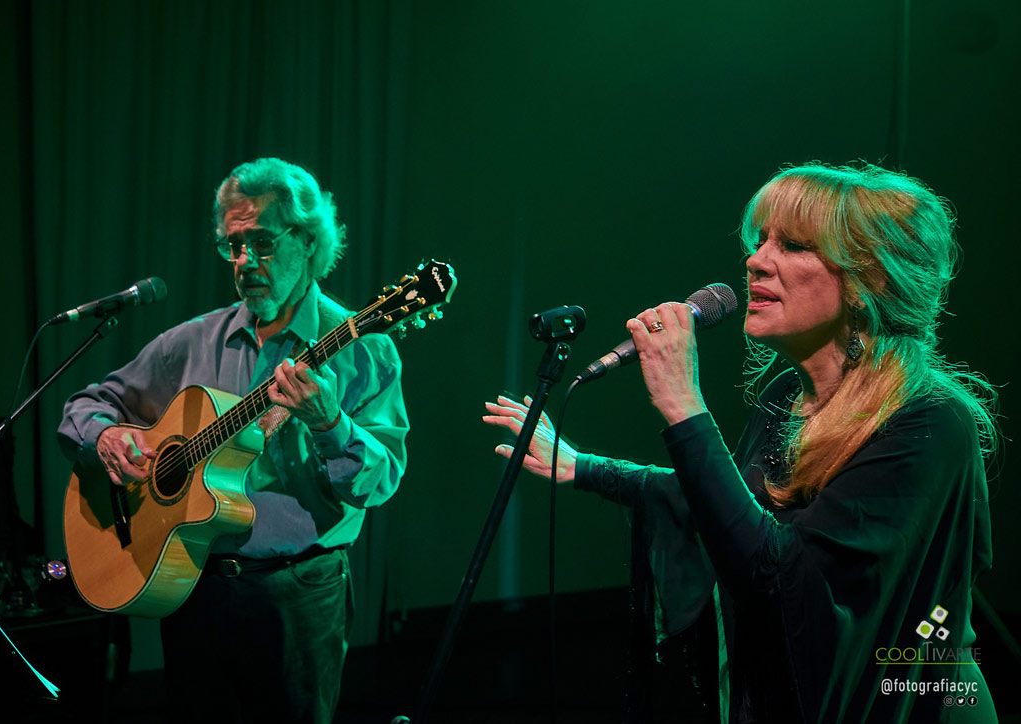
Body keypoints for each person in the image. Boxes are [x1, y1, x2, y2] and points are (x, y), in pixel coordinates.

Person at [484, 162, 998, 722]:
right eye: (760, 241)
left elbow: (785, 581)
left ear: (870, 278)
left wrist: (683, 405)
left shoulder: (928, 421)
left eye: (795, 246)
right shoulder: (785, 396)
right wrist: (585, 467)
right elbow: (731, 512)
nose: (755, 261)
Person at [58, 157, 409, 723]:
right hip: (192, 587)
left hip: (298, 596)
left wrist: (329, 423)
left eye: (262, 242)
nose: (245, 262)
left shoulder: (365, 350)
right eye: (233, 245)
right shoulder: (189, 343)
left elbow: (380, 481)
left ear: (308, 241)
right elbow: (85, 406)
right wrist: (105, 440)